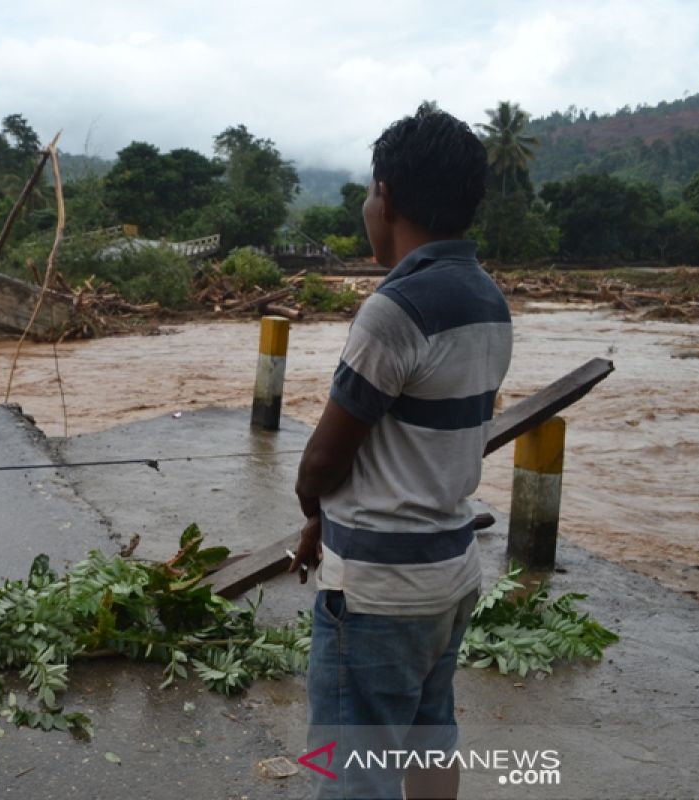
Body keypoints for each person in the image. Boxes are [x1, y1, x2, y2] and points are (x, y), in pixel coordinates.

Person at [290, 105, 512, 800]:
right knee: (430, 736)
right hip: (450, 572)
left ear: (384, 199)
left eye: (367, 192)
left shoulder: (395, 310)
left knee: (355, 771)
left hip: (381, 590)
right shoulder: (488, 300)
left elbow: (325, 461)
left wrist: (311, 506)